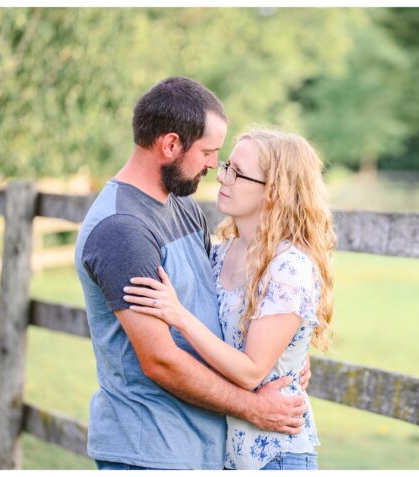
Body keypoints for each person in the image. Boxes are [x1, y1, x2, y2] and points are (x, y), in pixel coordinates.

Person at [74, 77, 310, 470]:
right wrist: (255, 408)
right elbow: (160, 360)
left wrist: (284, 354)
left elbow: (217, 301)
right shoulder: (122, 230)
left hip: (203, 447)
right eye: (208, 152)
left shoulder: (181, 205)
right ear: (170, 145)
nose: (213, 167)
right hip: (152, 449)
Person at [125, 128, 336, 470]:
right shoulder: (222, 252)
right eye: (227, 166)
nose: (223, 178)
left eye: (237, 173)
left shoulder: (288, 268)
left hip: (274, 455)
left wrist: (177, 315)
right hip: (225, 451)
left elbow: (252, 372)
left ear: (274, 192)